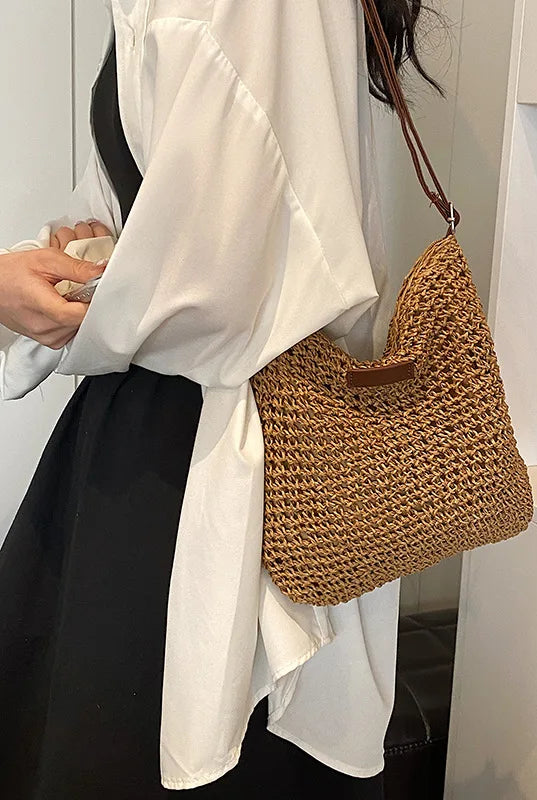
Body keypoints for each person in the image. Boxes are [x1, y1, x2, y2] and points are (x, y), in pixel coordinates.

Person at [0, 1, 443, 797]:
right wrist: (74, 251)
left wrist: (36, 287)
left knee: (135, 740)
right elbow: (158, 211)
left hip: (199, 453)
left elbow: (221, 292)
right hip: (193, 434)